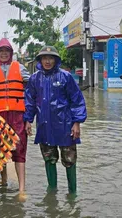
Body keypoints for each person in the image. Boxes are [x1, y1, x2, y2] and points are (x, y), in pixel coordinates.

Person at [23, 46, 87, 194]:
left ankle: (72, 193)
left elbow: (76, 100)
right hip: (44, 126)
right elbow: (29, 102)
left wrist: (76, 123)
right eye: (44, 58)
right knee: (49, 158)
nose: (47, 61)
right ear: (39, 60)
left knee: (69, 159)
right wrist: (28, 120)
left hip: (65, 126)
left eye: (50, 58)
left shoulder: (65, 77)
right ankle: (52, 191)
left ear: (56, 59)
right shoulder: (34, 79)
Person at [0, 38, 31, 194]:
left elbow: (31, 91)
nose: (3, 54)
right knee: (0, 150)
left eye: (6, 51)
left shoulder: (20, 68)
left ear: (10, 53)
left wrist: (29, 118)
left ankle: (22, 188)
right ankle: (4, 181)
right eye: (1, 51)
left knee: (20, 150)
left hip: (18, 115)